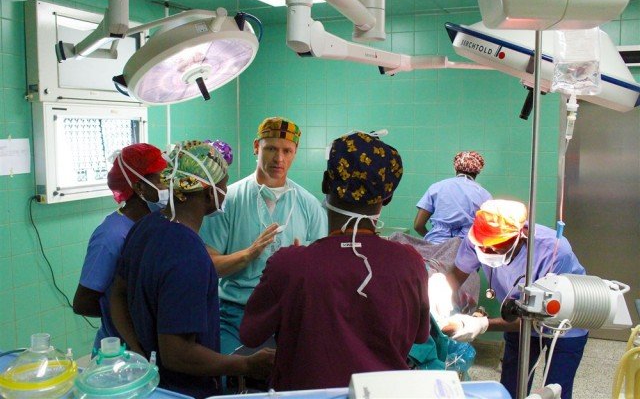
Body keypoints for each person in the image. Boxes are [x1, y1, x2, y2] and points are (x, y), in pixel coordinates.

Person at [240, 131, 430, 390]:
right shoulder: (411, 263)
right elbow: (420, 337)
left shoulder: (289, 265)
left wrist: (293, 276)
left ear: (326, 183)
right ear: (387, 196)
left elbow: (250, 335)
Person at [111, 141, 274, 399]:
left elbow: (117, 294)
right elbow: (178, 354)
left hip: (150, 383)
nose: (226, 192)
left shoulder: (145, 226)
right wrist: (247, 364)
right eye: (224, 185)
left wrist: (141, 354)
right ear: (210, 193)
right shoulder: (189, 254)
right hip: (183, 389)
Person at [200, 117, 327, 354]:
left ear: (295, 153)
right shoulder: (228, 200)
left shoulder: (309, 205)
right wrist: (248, 254)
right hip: (235, 315)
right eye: (271, 149)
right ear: (256, 147)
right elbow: (208, 265)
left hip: (290, 315)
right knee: (230, 376)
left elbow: (323, 270)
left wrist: (303, 264)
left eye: (287, 151)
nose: (279, 159)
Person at [445, 199, 587, 399]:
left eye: (495, 248)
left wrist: (482, 324)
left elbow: (537, 318)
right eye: (482, 247)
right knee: (511, 388)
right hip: (518, 320)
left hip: (566, 325)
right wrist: (437, 298)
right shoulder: (477, 239)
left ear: (522, 236)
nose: (487, 252)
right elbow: (454, 278)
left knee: (556, 389)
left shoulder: (553, 251)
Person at [73, 143, 168, 352]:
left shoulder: (154, 224)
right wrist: (128, 313)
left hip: (148, 346)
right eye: (161, 180)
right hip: (117, 353)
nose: (167, 187)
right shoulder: (112, 235)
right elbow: (82, 302)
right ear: (140, 187)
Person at [414, 151, 492, 244]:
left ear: (456, 168)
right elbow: (488, 231)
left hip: (436, 245)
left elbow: (418, 226)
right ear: (477, 171)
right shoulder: (485, 195)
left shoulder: (437, 187)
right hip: (466, 248)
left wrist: (430, 238)